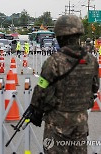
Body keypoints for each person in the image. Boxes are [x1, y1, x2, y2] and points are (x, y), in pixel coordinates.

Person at [28, 15, 99, 154]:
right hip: (80, 123)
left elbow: (41, 89)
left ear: (60, 36)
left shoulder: (54, 61)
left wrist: (35, 110)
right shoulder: (91, 60)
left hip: (57, 124)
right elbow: (95, 87)